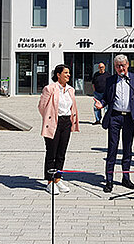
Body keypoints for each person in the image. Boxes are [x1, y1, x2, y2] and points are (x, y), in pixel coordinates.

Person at [94, 54, 134, 193]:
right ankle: (109, 180)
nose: (121, 68)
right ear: (114, 67)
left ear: (127, 65)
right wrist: (101, 104)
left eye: (123, 65)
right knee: (112, 148)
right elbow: (107, 98)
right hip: (115, 117)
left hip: (130, 118)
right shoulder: (110, 80)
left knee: (127, 149)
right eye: (118, 66)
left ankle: (126, 178)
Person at [38, 64, 80, 195]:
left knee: (62, 153)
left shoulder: (70, 90)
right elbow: (41, 106)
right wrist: (49, 119)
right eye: (66, 73)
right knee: (52, 153)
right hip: (54, 123)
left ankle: (58, 179)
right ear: (58, 75)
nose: (68, 75)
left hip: (66, 122)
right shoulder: (49, 88)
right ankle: (50, 182)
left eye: (69, 73)